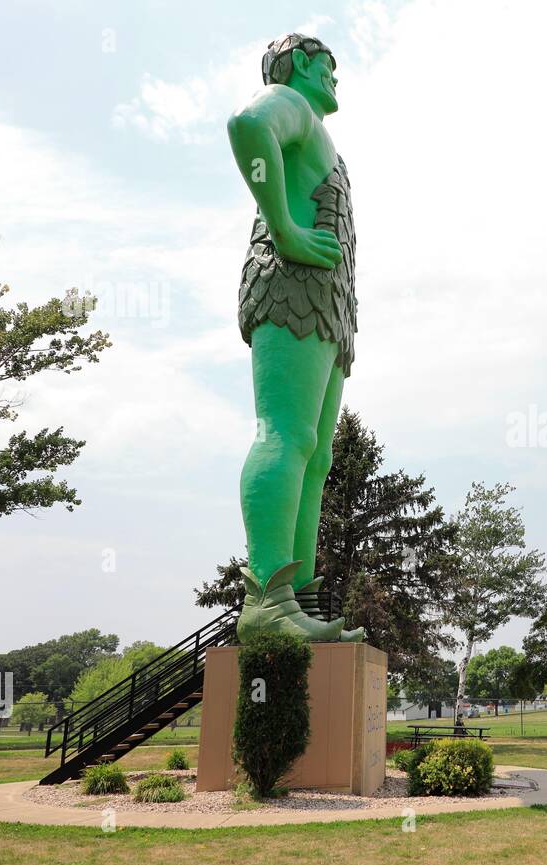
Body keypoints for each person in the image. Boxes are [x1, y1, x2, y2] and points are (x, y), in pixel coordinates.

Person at [228, 32, 366, 642]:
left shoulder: (316, 128)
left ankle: (300, 600)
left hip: (328, 306)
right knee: (285, 434)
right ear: (299, 64)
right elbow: (246, 124)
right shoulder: (289, 101)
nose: (336, 77)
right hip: (290, 289)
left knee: (315, 453)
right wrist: (283, 228)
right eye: (328, 65)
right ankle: (267, 599)